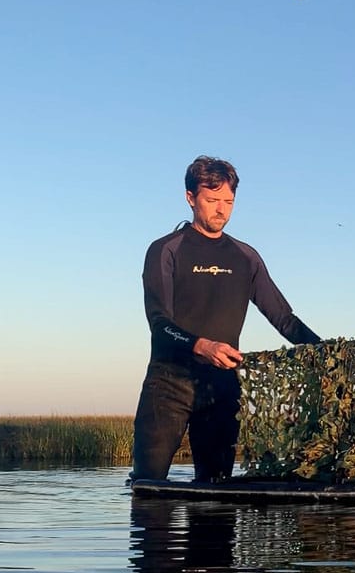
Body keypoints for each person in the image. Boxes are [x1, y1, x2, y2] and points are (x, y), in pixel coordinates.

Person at [130, 155, 321, 483]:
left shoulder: (245, 257)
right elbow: (159, 323)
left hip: (221, 389)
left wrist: (328, 351)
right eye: (212, 200)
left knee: (216, 503)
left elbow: (285, 319)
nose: (221, 209)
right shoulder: (166, 250)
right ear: (190, 198)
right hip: (168, 384)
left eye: (229, 201)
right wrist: (200, 346)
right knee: (149, 493)